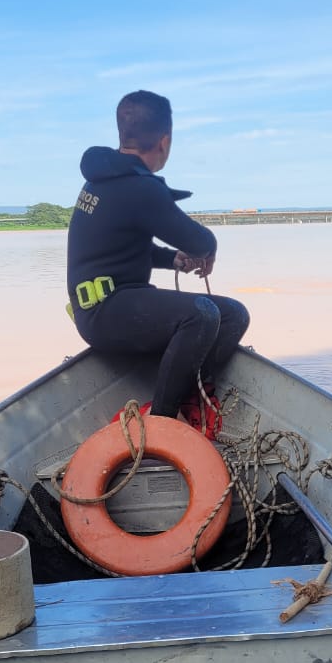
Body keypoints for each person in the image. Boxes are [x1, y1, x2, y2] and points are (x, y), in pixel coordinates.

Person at [66, 90, 250, 426]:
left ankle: (192, 395)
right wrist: (208, 247)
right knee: (201, 315)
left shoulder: (105, 178)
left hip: (117, 303)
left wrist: (173, 260)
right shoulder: (138, 187)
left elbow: (122, 247)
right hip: (103, 312)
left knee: (234, 314)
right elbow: (198, 239)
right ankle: (164, 421)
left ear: (123, 133)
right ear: (165, 141)